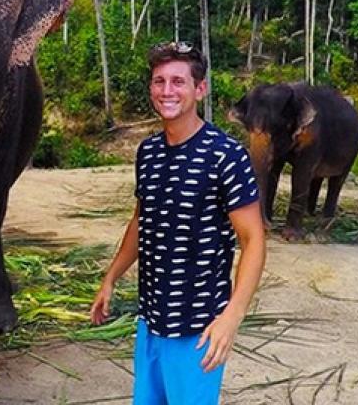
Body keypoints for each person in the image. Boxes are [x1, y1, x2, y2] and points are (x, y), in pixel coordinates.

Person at [89, 42, 267, 405]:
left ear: (199, 89)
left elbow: (253, 240)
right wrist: (111, 278)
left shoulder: (226, 155)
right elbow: (141, 221)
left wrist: (232, 316)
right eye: (159, 81)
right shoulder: (149, 153)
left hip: (197, 331)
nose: (167, 90)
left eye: (178, 81)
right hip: (151, 322)